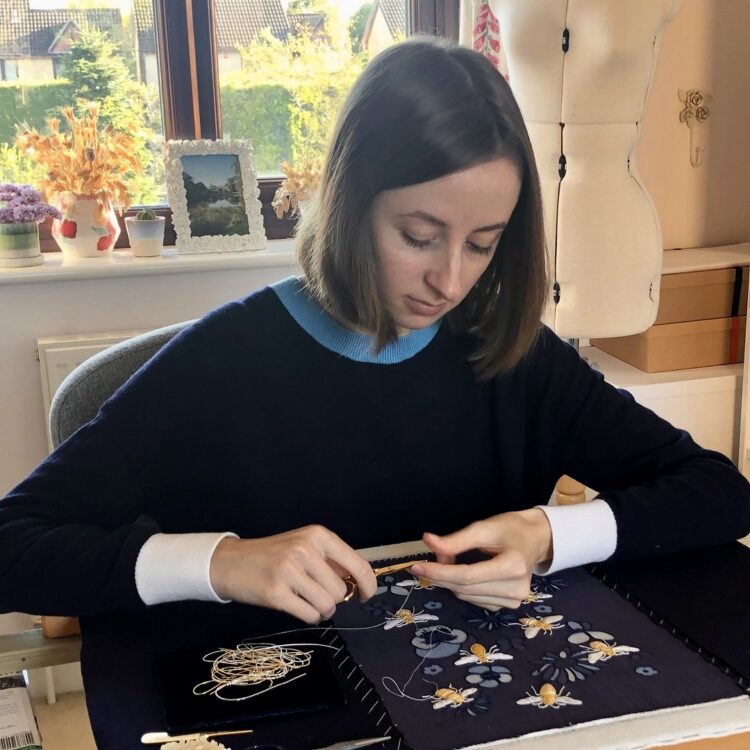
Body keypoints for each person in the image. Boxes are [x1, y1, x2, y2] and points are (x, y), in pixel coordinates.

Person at [0, 37, 749, 628]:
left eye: (483, 243)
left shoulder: (513, 355)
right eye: (419, 236)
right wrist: (219, 562)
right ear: (351, 204)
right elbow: (14, 545)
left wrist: (548, 534)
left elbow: (720, 493)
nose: (451, 282)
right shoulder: (221, 364)